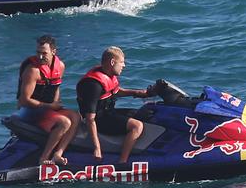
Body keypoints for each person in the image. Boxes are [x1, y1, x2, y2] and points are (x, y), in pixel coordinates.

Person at [76, 46, 152, 163]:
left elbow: (114, 91)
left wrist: (137, 93)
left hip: (108, 112)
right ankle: (122, 161)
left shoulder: (107, 75)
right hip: (99, 120)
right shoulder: (93, 85)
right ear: (112, 62)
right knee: (137, 126)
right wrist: (97, 148)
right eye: (121, 62)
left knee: (144, 113)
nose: (124, 65)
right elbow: (90, 119)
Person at [17, 35, 81, 165]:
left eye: (44, 53)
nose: (40, 57)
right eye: (38, 53)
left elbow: (55, 87)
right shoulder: (33, 71)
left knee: (76, 117)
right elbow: (25, 100)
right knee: (64, 122)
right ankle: (44, 158)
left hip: (46, 108)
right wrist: (50, 106)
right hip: (28, 111)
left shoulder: (60, 66)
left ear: (53, 52)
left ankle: (58, 154)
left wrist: (56, 104)